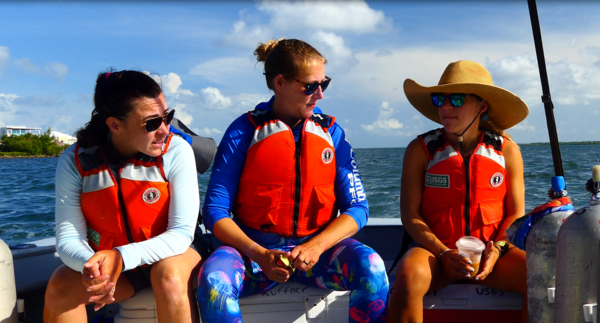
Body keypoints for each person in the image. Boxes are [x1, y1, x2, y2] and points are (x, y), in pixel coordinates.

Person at [197, 38, 389, 323]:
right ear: (279, 83)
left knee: (373, 268)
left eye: (325, 84)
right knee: (214, 284)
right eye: (311, 86)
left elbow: (358, 208)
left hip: (318, 256)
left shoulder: (332, 134)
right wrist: (260, 254)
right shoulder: (243, 132)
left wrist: (316, 246)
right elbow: (214, 212)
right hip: (254, 257)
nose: (320, 94)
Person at [44, 70, 202, 323]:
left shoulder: (177, 151)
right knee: (60, 287)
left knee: (168, 275)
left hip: (173, 255)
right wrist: (94, 267)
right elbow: (68, 237)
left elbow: (182, 233)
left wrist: (120, 256)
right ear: (115, 125)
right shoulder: (77, 161)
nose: (164, 130)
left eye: (167, 117)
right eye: (151, 123)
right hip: (120, 270)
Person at [388, 60, 529, 323]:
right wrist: (443, 252)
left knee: (542, 277)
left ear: (481, 105)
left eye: (457, 99)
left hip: (492, 255)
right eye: (440, 99)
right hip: (436, 254)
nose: (445, 107)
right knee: (408, 276)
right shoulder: (420, 150)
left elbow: (516, 214)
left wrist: (497, 250)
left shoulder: (507, 151)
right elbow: (410, 215)